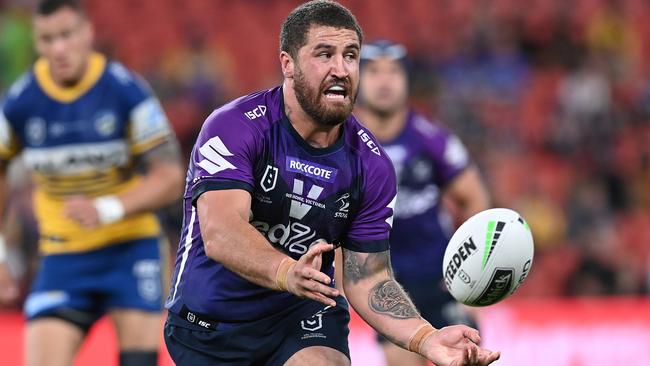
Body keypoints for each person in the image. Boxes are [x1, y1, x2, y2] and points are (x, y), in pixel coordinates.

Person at [163, 1, 499, 365]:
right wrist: (286, 271)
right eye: (324, 54)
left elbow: (367, 278)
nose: (341, 69)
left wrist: (426, 338)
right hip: (209, 326)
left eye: (351, 56)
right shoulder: (235, 126)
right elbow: (222, 232)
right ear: (287, 64)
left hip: (300, 316)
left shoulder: (371, 165)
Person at [0, 1, 185, 365]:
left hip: (130, 248)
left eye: (67, 35)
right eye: (47, 39)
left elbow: (170, 175)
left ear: (88, 33)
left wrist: (108, 208)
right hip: (63, 254)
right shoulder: (22, 101)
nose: (59, 49)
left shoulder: (125, 90)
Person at [355, 40, 492, 366]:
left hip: (441, 279)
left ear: (406, 81)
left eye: (394, 72)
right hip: (385, 285)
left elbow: (475, 200)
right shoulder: (343, 144)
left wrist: (470, 275)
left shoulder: (432, 139)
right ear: (357, 80)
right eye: (373, 72)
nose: (384, 81)